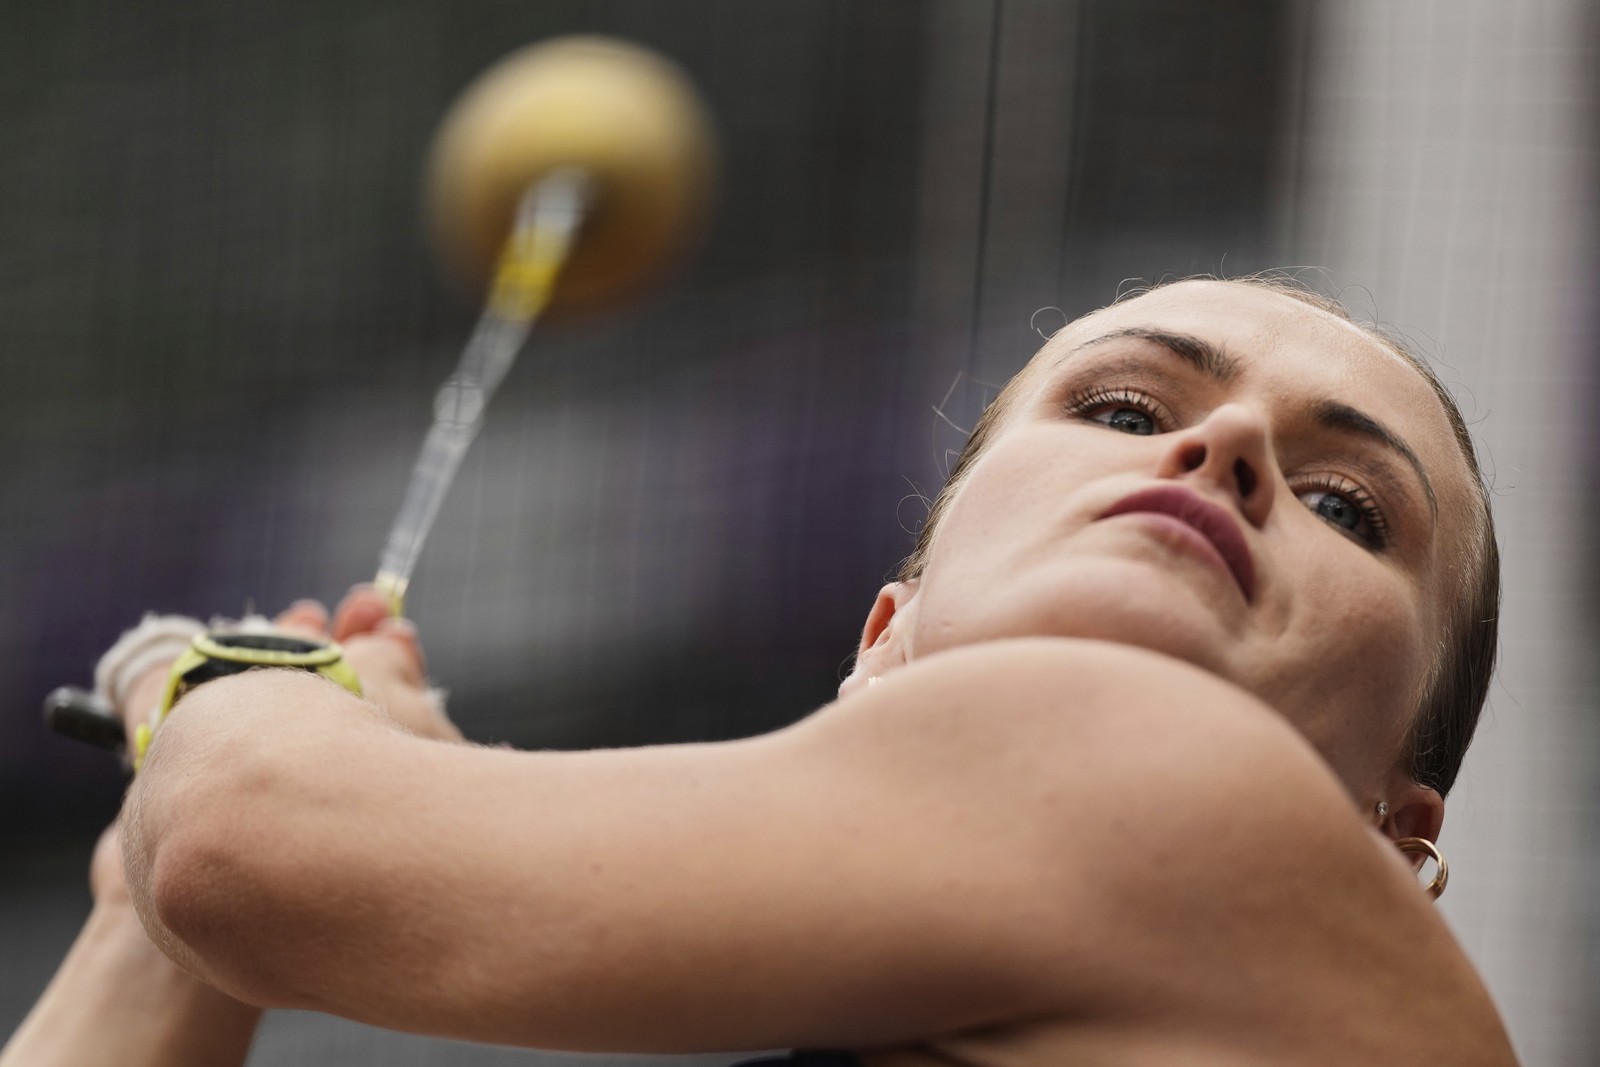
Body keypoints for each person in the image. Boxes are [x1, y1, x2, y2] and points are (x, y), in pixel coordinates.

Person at [3, 276, 1519, 1067]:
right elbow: (217, 859)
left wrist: (228, 694)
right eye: (1125, 408)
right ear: (885, 643)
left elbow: (240, 843)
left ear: (1398, 845)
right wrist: (152, 911)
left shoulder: (1194, 806)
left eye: (1346, 508)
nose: (1230, 444)